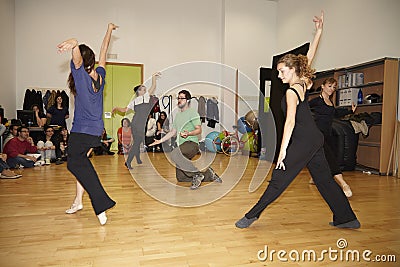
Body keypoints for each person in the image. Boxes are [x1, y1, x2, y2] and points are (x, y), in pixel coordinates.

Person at [235, 12, 360, 229]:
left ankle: (251, 215)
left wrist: (283, 151)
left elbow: (290, 123)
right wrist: (319, 32)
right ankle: (347, 218)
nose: (280, 75)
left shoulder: (292, 92)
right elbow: (309, 56)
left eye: (282, 71)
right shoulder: (303, 81)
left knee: (278, 180)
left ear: (292, 70)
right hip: (315, 140)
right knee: (324, 181)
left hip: (304, 142)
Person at [57, 22, 117, 225]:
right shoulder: (100, 76)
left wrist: (74, 44)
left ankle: (100, 203)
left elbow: (76, 58)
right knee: (80, 165)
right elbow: (104, 50)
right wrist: (108, 30)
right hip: (95, 132)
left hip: (81, 131)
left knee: (75, 163)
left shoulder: (80, 74)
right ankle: (77, 201)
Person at [150, 90, 222, 189]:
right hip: (182, 146)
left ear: (187, 100)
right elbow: (173, 132)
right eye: (178, 98)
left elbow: (199, 130)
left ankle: (196, 174)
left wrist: (189, 133)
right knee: (181, 178)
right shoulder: (178, 115)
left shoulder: (192, 113)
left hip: (191, 144)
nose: (179, 100)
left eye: (182, 98)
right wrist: (160, 141)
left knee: (175, 154)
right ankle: (209, 175)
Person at [309, 77, 356, 197]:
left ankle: (313, 178)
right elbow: (303, 108)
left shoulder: (330, 102)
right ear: (323, 86)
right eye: (329, 86)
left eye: (334, 87)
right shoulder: (317, 101)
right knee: (331, 160)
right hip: (318, 135)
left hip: (328, 135)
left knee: (322, 157)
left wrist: (350, 111)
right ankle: (344, 184)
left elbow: (335, 113)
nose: (331, 89)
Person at [112, 72, 161, 169]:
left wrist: (153, 77)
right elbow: (124, 110)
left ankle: (138, 159)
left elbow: (153, 86)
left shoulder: (145, 97)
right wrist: (116, 108)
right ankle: (128, 162)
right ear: (139, 91)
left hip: (141, 123)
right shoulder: (136, 100)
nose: (145, 89)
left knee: (138, 142)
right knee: (137, 143)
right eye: (142, 88)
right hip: (136, 124)